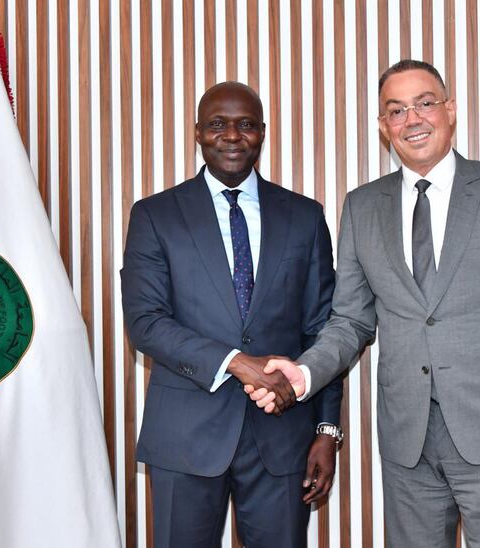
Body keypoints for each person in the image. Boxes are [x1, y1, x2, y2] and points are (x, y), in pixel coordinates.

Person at [249, 60, 480, 547]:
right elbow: (350, 321)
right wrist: (304, 374)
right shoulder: (362, 207)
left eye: (425, 103)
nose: (412, 119)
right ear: (383, 126)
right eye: (397, 110)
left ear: (450, 110)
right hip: (408, 443)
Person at [121, 81, 343, 548]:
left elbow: (323, 331)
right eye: (217, 124)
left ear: (262, 132)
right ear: (198, 132)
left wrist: (327, 430)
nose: (231, 135)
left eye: (245, 125)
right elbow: (145, 322)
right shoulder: (156, 215)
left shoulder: (304, 216)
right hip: (184, 437)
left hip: (283, 438)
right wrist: (237, 363)